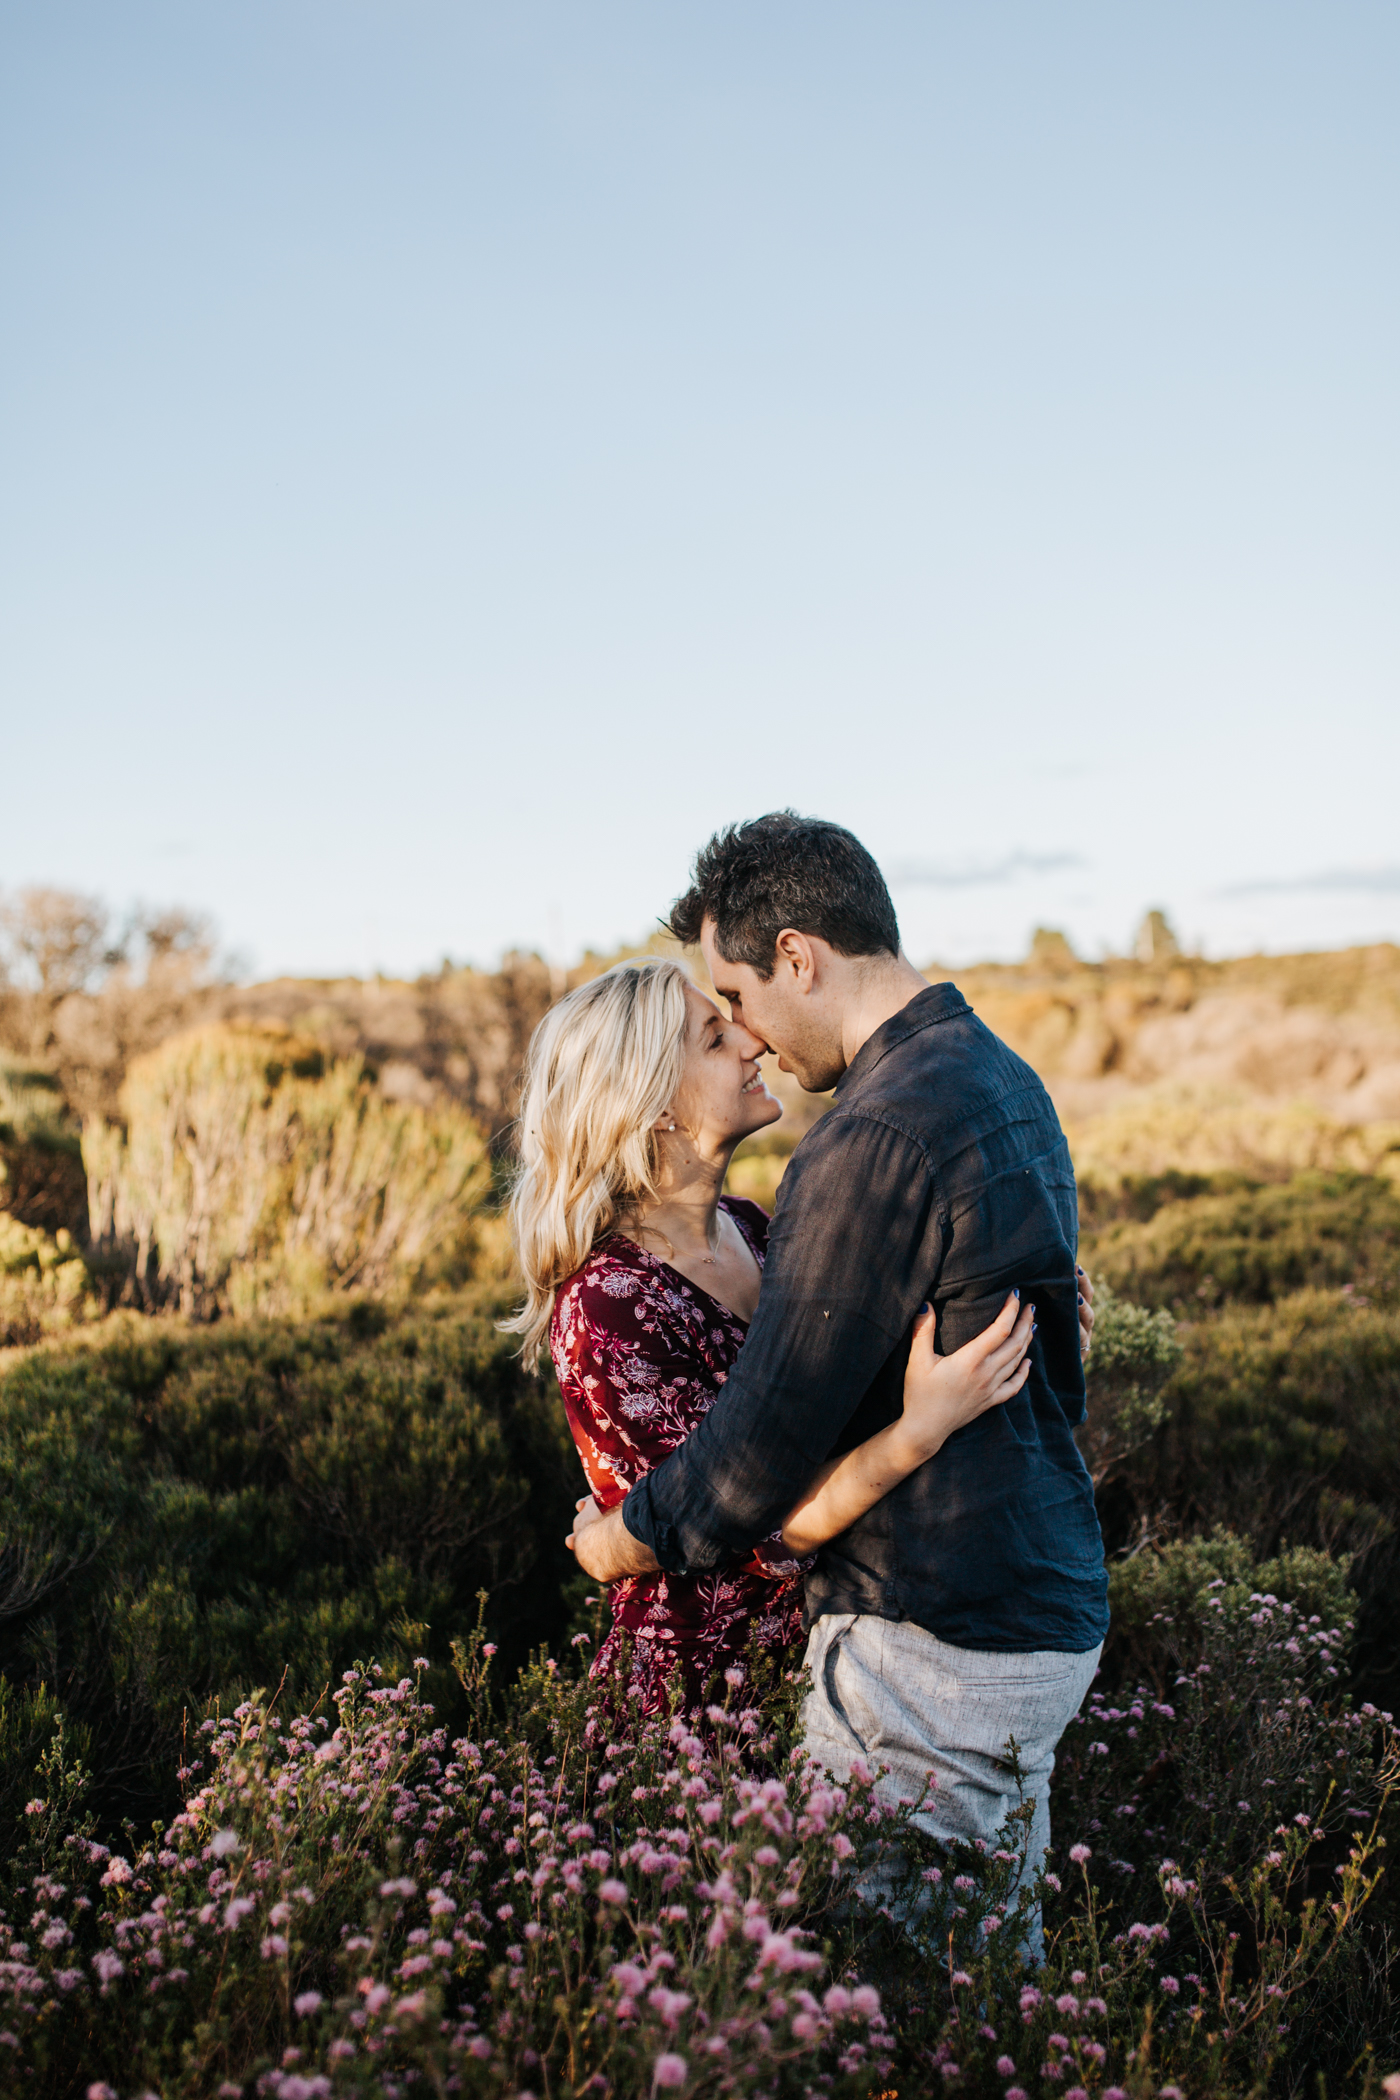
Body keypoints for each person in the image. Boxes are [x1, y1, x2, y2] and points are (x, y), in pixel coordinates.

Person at [569, 813, 1109, 1958]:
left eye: (738, 997)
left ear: (799, 958)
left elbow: (754, 1458)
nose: (749, 1034)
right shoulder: (995, 1077)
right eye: (716, 1027)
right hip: (1028, 1601)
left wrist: (624, 1537)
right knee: (987, 1960)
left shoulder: (867, 1141)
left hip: (939, 1635)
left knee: (904, 1986)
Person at [504, 955, 1042, 1716]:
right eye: (715, 1040)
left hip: (836, 1662)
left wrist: (1027, 1321)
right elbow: (746, 1519)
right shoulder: (611, 1304)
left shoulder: (759, 1230)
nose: (752, 1043)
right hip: (702, 1704)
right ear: (655, 1105)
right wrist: (920, 1430)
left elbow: (846, 1393)